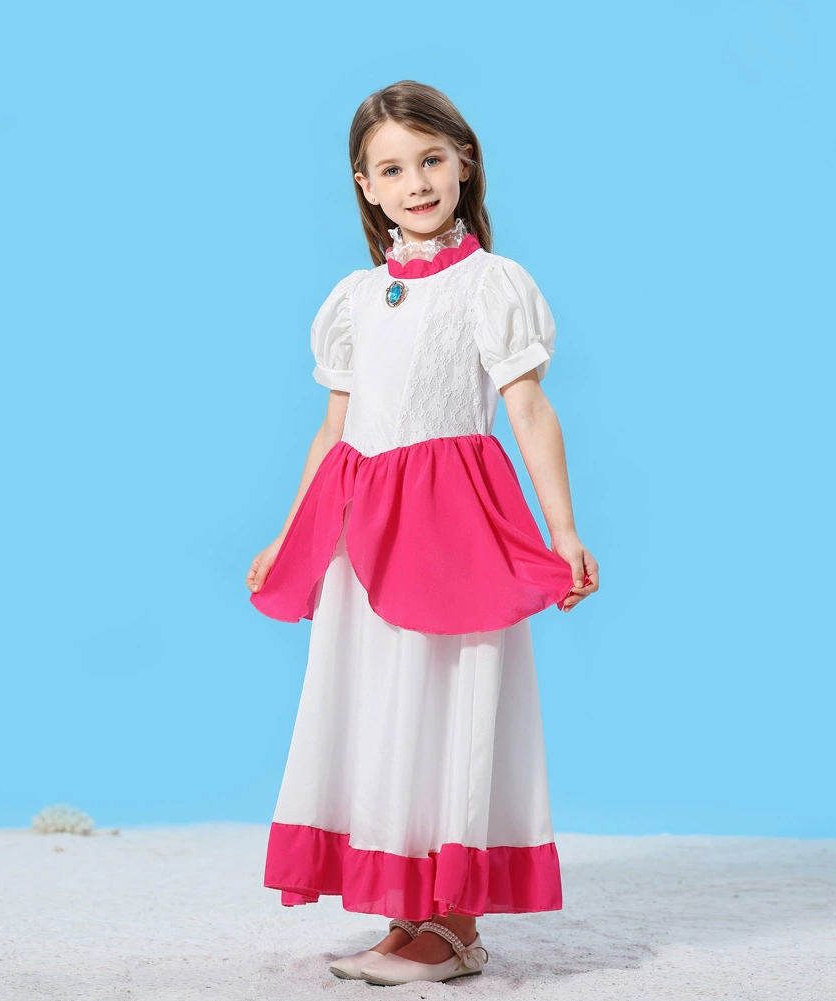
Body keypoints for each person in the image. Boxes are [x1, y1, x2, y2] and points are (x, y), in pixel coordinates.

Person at [245, 79, 599, 986]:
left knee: (450, 702)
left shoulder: (491, 284)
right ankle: (409, 912)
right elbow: (333, 431)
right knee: (382, 705)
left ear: (464, 163)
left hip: (450, 528)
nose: (416, 183)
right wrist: (288, 536)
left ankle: (455, 921)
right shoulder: (356, 298)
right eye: (393, 168)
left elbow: (527, 409)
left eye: (431, 160)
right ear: (364, 185)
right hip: (361, 526)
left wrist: (561, 529)